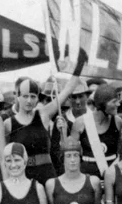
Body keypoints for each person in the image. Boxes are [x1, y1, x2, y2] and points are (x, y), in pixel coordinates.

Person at [6, 54, 86, 184]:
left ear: (37, 98)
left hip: (46, 173)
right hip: (22, 175)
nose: (29, 100)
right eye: (25, 96)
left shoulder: (43, 115)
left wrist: (80, 64)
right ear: (18, 97)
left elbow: (67, 90)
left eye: (33, 96)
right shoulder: (8, 124)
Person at [69, 84, 122, 178]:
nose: (118, 104)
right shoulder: (80, 123)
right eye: (114, 101)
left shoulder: (118, 122)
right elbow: (71, 153)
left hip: (112, 175)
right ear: (102, 103)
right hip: (87, 177)